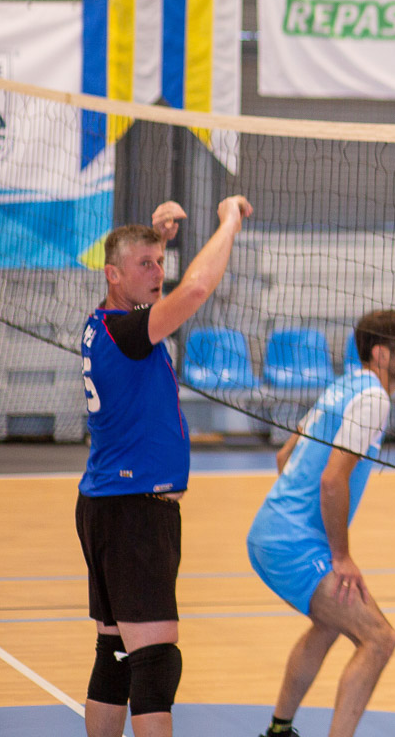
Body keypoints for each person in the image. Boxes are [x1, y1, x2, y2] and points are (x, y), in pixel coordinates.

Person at [79, 195, 252, 737]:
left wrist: (153, 240)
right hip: (136, 513)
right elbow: (195, 290)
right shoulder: (131, 334)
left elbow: (136, 277)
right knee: (155, 663)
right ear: (113, 275)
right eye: (146, 265)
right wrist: (227, 222)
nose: (158, 273)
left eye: (160, 263)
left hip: (105, 506)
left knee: (115, 654)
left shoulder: (104, 322)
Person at [248, 309, 395, 737]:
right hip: (293, 545)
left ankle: (279, 730)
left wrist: (295, 514)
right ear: (381, 354)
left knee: (330, 623)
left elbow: (285, 457)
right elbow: (331, 480)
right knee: (379, 639)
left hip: (272, 533)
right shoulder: (374, 399)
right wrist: (340, 556)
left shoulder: (345, 385)